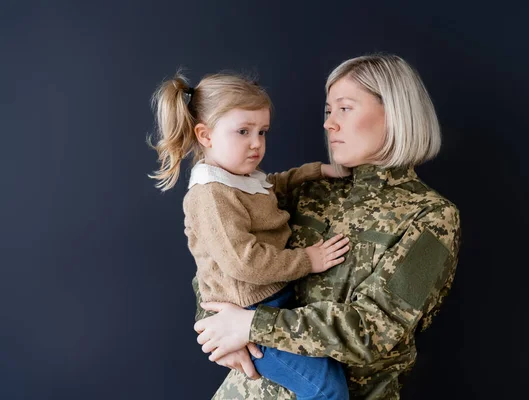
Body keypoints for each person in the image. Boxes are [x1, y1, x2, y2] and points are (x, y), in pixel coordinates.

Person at [192, 54, 461, 399]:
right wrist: (215, 329)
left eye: (345, 109)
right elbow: (219, 257)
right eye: (327, 111)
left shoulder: (433, 218)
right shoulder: (304, 191)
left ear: (395, 113)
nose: (329, 124)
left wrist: (251, 325)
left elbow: (375, 332)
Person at [148, 72, 352, 399]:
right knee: (326, 387)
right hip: (247, 315)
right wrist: (308, 260)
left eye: (262, 132)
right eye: (243, 131)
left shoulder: (238, 176)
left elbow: (270, 186)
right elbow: (246, 264)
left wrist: (315, 171)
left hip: (271, 304)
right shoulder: (211, 194)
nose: (256, 143)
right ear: (206, 135)